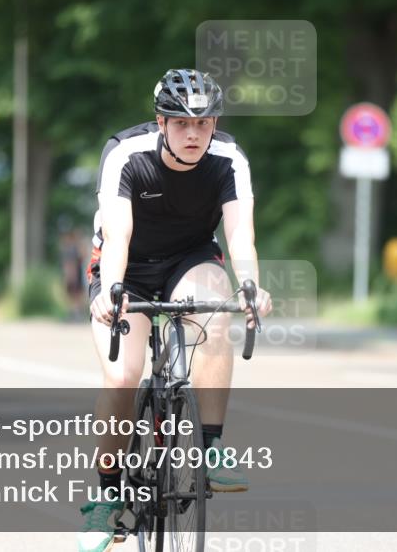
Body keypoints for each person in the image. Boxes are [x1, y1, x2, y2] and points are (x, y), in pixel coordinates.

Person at [79, 69, 272, 552]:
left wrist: (251, 286)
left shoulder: (228, 159)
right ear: (160, 122)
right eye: (182, 123)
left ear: (215, 123)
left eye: (204, 124)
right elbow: (118, 233)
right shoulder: (126, 153)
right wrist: (114, 289)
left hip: (189, 258)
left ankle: (210, 447)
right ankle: (106, 499)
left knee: (215, 311)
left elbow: (240, 237)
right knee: (122, 377)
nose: (193, 134)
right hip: (128, 265)